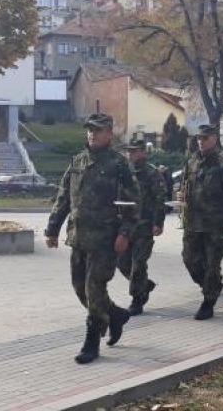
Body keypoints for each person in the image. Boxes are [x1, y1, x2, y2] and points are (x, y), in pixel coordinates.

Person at [44, 113, 139, 365]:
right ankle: (116, 314)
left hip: (105, 239)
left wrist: (124, 233)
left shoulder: (119, 164)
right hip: (78, 237)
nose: (92, 134)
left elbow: (132, 203)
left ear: (109, 133)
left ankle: (92, 340)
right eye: (89, 130)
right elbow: (64, 197)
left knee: (94, 288)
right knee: (79, 288)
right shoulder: (78, 160)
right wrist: (52, 229)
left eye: (97, 130)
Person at [177, 125, 223, 321]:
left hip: (215, 224)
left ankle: (208, 301)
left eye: (205, 137)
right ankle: (212, 285)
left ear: (215, 139)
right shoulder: (192, 160)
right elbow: (185, 185)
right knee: (190, 260)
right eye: (199, 137)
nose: (201, 141)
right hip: (193, 221)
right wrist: (181, 194)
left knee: (212, 264)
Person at [118, 139, 165, 316]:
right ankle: (144, 285)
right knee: (122, 264)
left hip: (144, 226)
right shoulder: (123, 172)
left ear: (143, 152)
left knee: (138, 264)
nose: (130, 154)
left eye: (134, 151)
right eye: (128, 151)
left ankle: (137, 300)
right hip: (125, 227)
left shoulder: (152, 173)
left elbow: (159, 200)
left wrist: (158, 223)